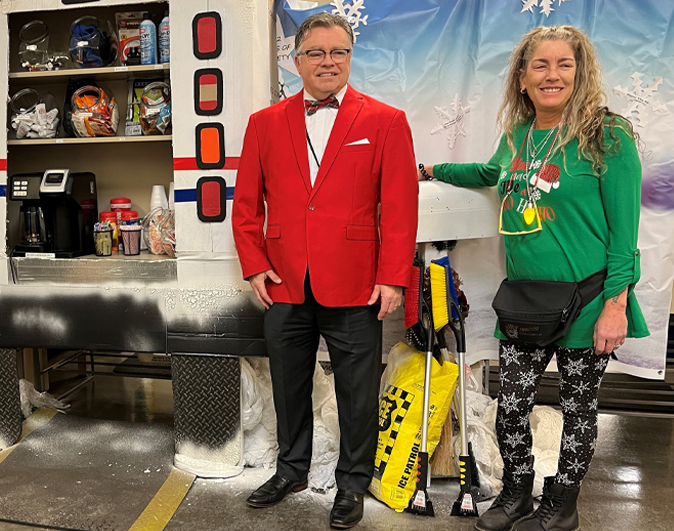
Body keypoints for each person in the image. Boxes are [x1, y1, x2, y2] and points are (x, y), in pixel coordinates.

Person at [421, 25, 648, 531]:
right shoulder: (520, 135)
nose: (552, 75)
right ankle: (517, 496)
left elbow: (624, 235)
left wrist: (615, 305)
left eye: (563, 64)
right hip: (525, 302)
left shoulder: (608, 136)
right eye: (539, 66)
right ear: (522, 78)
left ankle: (561, 504)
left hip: (587, 302)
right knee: (513, 405)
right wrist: (430, 168)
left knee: (578, 410)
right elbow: (488, 173)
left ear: (580, 71)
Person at [232, 12, 418, 529]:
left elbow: (400, 208)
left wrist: (392, 276)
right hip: (285, 280)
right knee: (288, 384)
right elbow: (246, 205)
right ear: (296, 61)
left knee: (356, 390)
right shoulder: (264, 124)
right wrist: (254, 268)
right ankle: (290, 469)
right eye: (316, 52)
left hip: (358, 280)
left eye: (338, 52)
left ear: (351, 57)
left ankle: (352, 483)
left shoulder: (385, 121)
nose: (328, 61)